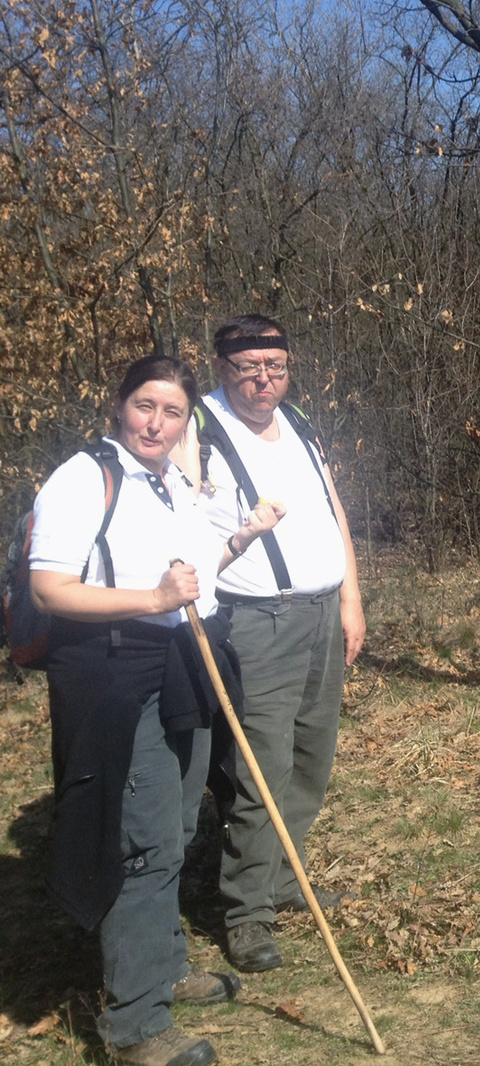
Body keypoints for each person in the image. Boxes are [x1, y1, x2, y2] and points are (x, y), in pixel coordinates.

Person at [30, 355, 283, 1066]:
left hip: (180, 662)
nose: (157, 422)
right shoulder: (84, 477)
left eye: (172, 413)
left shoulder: (170, 481)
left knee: (173, 821)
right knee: (144, 841)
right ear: (119, 406)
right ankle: (136, 1025)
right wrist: (153, 601)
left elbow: (189, 575)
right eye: (145, 405)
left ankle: (164, 964)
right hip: (115, 673)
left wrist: (238, 540)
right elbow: (50, 589)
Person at [177, 314, 365, 973]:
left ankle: (286, 882)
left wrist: (351, 599)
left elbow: (333, 508)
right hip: (254, 623)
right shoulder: (196, 429)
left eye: (276, 367)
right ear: (222, 368)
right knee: (260, 773)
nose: (264, 379)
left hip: (319, 617)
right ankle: (247, 915)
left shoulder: (301, 424)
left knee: (311, 761)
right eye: (249, 367)